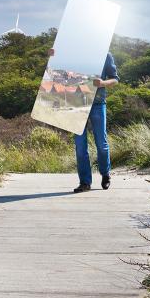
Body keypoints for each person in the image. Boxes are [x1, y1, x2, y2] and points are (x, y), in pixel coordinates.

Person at [48, 48, 119, 193]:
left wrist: (103, 83)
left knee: (101, 143)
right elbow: (56, 76)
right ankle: (85, 182)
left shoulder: (106, 55)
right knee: (80, 147)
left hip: (98, 104)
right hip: (77, 104)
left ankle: (105, 174)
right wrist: (52, 59)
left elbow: (115, 79)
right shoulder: (71, 53)